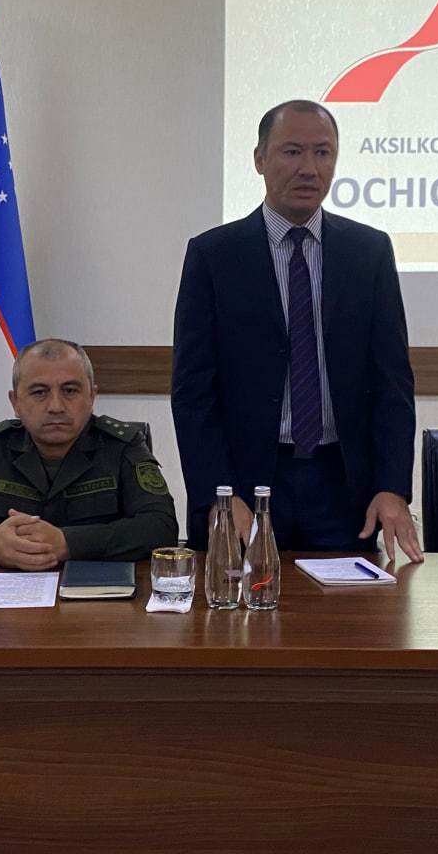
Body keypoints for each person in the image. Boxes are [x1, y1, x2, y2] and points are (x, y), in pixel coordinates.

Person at [171, 99, 421, 560]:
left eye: (323, 153)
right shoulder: (214, 255)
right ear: (259, 159)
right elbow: (193, 392)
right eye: (292, 152)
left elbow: (392, 384)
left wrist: (392, 486)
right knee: (235, 624)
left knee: (348, 626)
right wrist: (219, 494)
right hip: (246, 488)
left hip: (346, 487)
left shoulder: (369, 253)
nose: (309, 168)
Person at [0, 338, 178, 569]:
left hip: (98, 601)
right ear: (15, 403)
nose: (56, 406)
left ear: (92, 397)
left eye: (70, 391)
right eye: (39, 393)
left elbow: (160, 527)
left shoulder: (123, 446)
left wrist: (67, 543)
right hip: (5, 604)